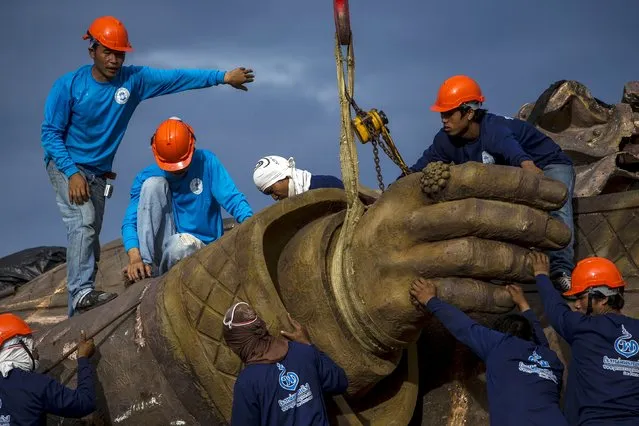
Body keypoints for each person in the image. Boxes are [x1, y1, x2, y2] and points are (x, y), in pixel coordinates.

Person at [41, 15, 255, 316]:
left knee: (92, 235)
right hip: (67, 165)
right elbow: (49, 134)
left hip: (99, 175)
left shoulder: (134, 81)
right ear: (93, 51)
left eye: (120, 53)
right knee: (83, 224)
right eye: (108, 52)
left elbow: (176, 78)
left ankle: (80, 311)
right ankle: (80, 294)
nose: (115, 59)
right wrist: (72, 172)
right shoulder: (69, 87)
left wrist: (222, 77)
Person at [404, 75, 575, 292]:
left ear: (469, 112)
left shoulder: (494, 131)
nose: (443, 119)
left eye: (449, 113)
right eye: (442, 113)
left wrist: (539, 194)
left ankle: (562, 271)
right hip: (513, 172)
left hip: (548, 163)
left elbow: (523, 162)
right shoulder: (445, 139)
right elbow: (419, 168)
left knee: (557, 208)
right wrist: (394, 189)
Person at [409, 278, 567, 426]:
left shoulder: (499, 344)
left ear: (500, 333)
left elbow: (464, 326)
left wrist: (430, 300)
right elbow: (540, 336)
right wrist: (523, 303)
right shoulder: (551, 360)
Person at [122, 117, 253, 283]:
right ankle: (147, 266)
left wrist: (251, 224)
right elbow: (130, 222)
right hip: (166, 248)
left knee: (181, 246)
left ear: (193, 146)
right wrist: (135, 258)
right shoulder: (145, 177)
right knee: (153, 185)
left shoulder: (207, 161)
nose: (178, 170)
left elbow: (233, 199)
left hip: (205, 247)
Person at [531, 251, 639, 425]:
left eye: (581, 297)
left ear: (603, 298)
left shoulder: (581, 327)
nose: (577, 304)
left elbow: (555, 307)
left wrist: (541, 275)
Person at [223, 302, 348, 425]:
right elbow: (339, 382)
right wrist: (309, 345)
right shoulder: (303, 352)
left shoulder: (247, 383)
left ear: (239, 344)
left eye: (232, 345)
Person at [0, 313, 96, 423]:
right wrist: (83, 358)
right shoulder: (34, 385)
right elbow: (85, 403)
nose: (36, 352)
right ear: (19, 346)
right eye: (32, 345)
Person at [253, 155, 344, 201]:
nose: (274, 197)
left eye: (271, 190)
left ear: (284, 176)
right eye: (268, 194)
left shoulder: (330, 185)